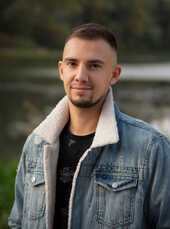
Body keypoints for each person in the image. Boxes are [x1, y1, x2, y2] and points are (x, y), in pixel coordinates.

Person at [8, 23, 170, 229]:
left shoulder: (151, 148)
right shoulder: (36, 143)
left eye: (94, 65)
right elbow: (17, 222)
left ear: (114, 74)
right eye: (72, 64)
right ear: (61, 70)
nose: (80, 76)